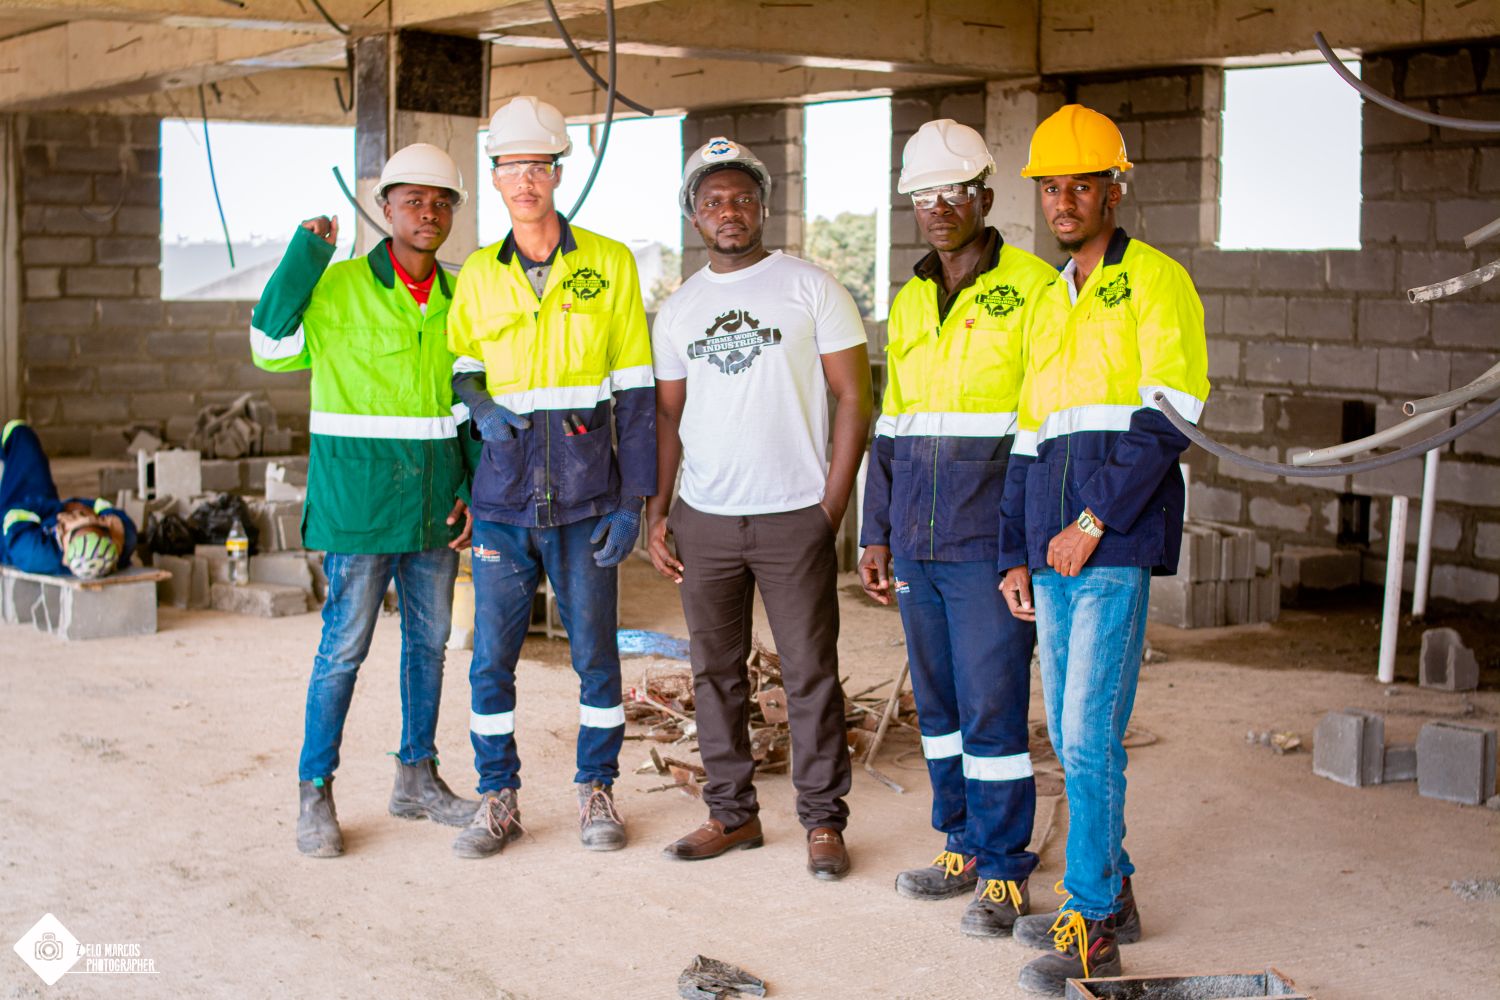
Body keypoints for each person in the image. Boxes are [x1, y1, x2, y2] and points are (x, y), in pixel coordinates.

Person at [998, 105, 1210, 994]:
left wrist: (1090, 525)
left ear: (1115, 189)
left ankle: (1091, 921)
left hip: (1110, 549)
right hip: (1051, 553)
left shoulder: (1158, 283)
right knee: (1072, 735)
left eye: (1082, 183)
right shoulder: (1050, 296)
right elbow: (1027, 432)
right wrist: (1019, 548)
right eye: (1051, 186)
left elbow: (1171, 420)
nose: (1065, 200)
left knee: (1087, 737)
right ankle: (1111, 888)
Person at [647, 136, 872, 880]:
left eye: (741, 198)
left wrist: (828, 510)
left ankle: (822, 823)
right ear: (694, 216)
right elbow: (669, 420)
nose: (729, 212)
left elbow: (853, 397)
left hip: (793, 516)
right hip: (706, 519)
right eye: (712, 202)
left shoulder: (812, 288)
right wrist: (660, 512)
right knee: (716, 671)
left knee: (810, 673)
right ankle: (732, 814)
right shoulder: (678, 311)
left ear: (764, 207)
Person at [251, 143, 479, 859]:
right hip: (358, 503)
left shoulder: (461, 295)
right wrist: (302, 258)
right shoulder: (336, 286)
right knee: (342, 651)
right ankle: (314, 791)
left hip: (434, 505)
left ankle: (417, 776)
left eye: (441, 203)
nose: (428, 213)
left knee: (429, 648)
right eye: (413, 200)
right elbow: (267, 344)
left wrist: (472, 486)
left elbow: (470, 402)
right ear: (385, 210)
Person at [858, 119, 1056, 935]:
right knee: (935, 708)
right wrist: (877, 531)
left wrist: (1020, 551)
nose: (938, 207)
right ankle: (962, 843)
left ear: (984, 194)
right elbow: (892, 423)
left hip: (987, 545)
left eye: (952, 192)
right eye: (922, 196)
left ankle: (1007, 869)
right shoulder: (907, 301)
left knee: (994, 709)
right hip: (917, 541)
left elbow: (1042, 433)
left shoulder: (1037, 288)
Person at [446, 96, 655, 859]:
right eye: (511, 168)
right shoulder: (477, 273)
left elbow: (635, 394)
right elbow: (462, 367)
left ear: (558, 173)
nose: (525, 180)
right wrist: (481, 407)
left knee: (596, 655)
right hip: (502, 502)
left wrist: (634, 502)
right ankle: (497, 796)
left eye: (538, 166)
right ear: (495, 178)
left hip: (585, 500)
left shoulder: (609, 263)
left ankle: (597, 788)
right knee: (490, 660)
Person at [1, 420, 137, 580]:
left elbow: (12, 517)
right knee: (20, 432)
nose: (79, 516)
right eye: (90, 521)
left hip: (16, 511)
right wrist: (74, 511)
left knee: (20, 443)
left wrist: (59, 508)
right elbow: (102, 505)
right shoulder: (124, 536)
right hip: (44, 509)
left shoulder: (37, 553)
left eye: (77, 523)